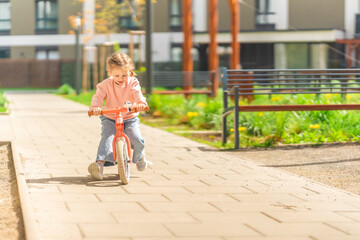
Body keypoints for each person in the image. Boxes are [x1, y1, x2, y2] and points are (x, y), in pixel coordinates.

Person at [88, 51, 150, 180]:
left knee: (136, 137)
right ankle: (99, 165)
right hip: (110, 117)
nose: (121, 78)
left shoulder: (133, 82)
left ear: (130, 72)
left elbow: (138, 94)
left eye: (124, 75)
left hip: (129, 117)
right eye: (117, 75)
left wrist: (140, 103)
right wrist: (95, 107)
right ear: (110, 72)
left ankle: (140, 157)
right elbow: (98, 97)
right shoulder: (105, 85)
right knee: (107, 137)